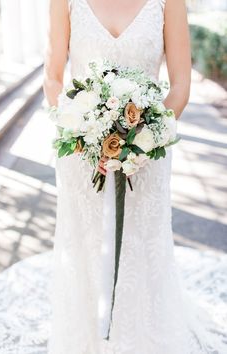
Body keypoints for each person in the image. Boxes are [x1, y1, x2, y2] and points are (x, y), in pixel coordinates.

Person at [43, 1, 225, 353]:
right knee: (87, 249)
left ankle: (142, 336)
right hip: (83, 157)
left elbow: (181, 84)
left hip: (147, 157)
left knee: (141, 249)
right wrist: (81, 134)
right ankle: (87, 339)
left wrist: (144, 140)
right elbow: (52, 77)